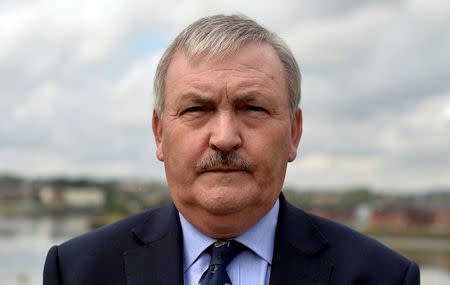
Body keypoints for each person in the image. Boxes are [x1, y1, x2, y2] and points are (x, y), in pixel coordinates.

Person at [43, 14, 420, 285]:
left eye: (252, 108)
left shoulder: (383, 276)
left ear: (294, 133)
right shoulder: (77, 271)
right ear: (159, 133)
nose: (224, 137)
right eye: (196, 109)